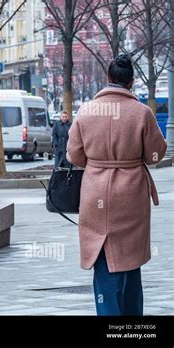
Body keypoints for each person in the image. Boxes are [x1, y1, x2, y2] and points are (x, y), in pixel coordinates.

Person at [67, 54, 167, 316]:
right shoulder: (142, 113)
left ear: (107, 79)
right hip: (131, 195)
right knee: (131, 261)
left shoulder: (86, 111)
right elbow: (155, 155)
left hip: (95, 192)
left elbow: (74, 156)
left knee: (103, 260)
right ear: (131, 82)